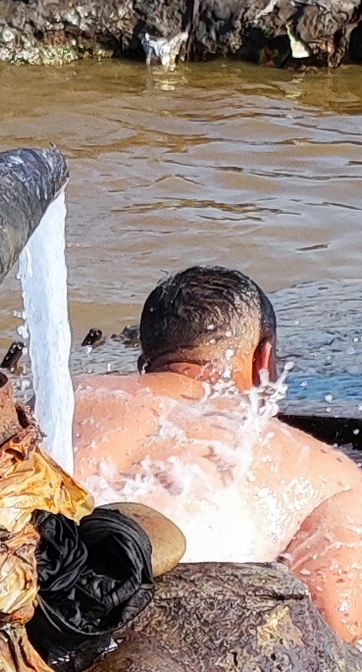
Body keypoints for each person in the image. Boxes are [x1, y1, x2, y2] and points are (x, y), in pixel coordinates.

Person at [72, 263, 362, 642]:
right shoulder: (331, 476)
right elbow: (333, 632)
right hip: (172, 644)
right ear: (265, 359)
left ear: (145, 361)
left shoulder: (67, 398)